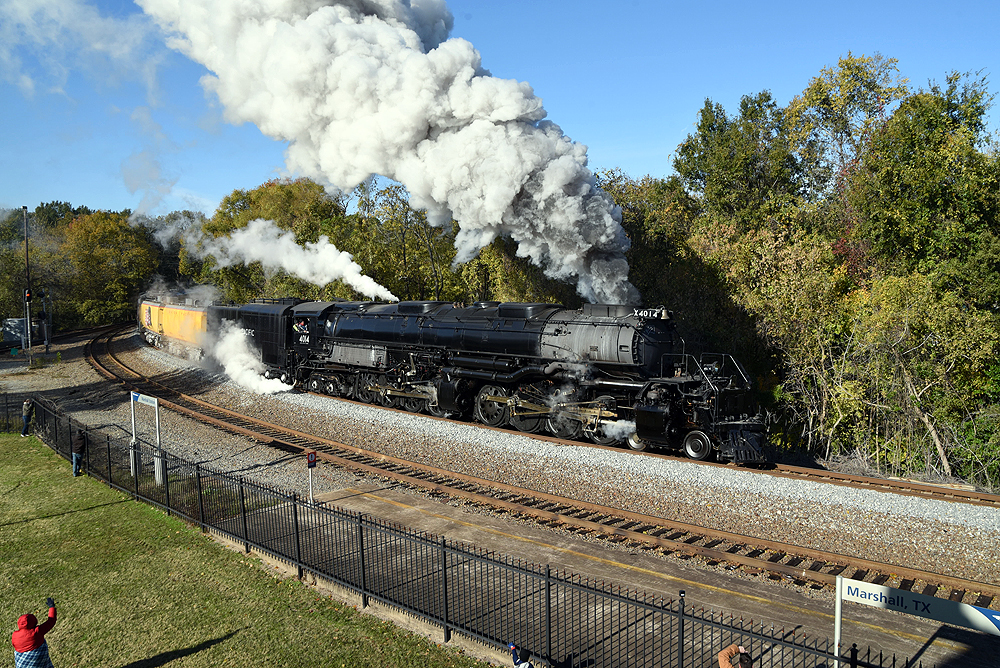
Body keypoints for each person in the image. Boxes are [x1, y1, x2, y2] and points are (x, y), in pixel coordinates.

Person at [11, 598, 57, 668]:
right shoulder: (37, 632)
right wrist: (52, 607)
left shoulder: (15, 635)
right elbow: (51, 621)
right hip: (39, 661)